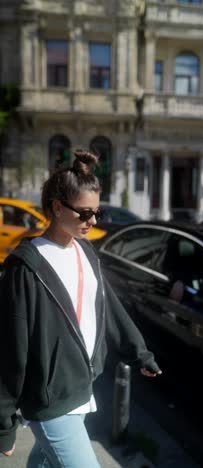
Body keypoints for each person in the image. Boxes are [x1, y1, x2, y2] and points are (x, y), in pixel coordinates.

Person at [0, 149, 161, 468]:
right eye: (84, 213)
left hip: (81, 386)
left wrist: (138, 352)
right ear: (57, 207)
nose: (93, 221)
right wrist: (4, 422)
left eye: (96, 213)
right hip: (50, 399)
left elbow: (108, 307)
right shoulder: (26, 267)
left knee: (45, 462)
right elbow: (10, 345)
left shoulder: (85, 251)